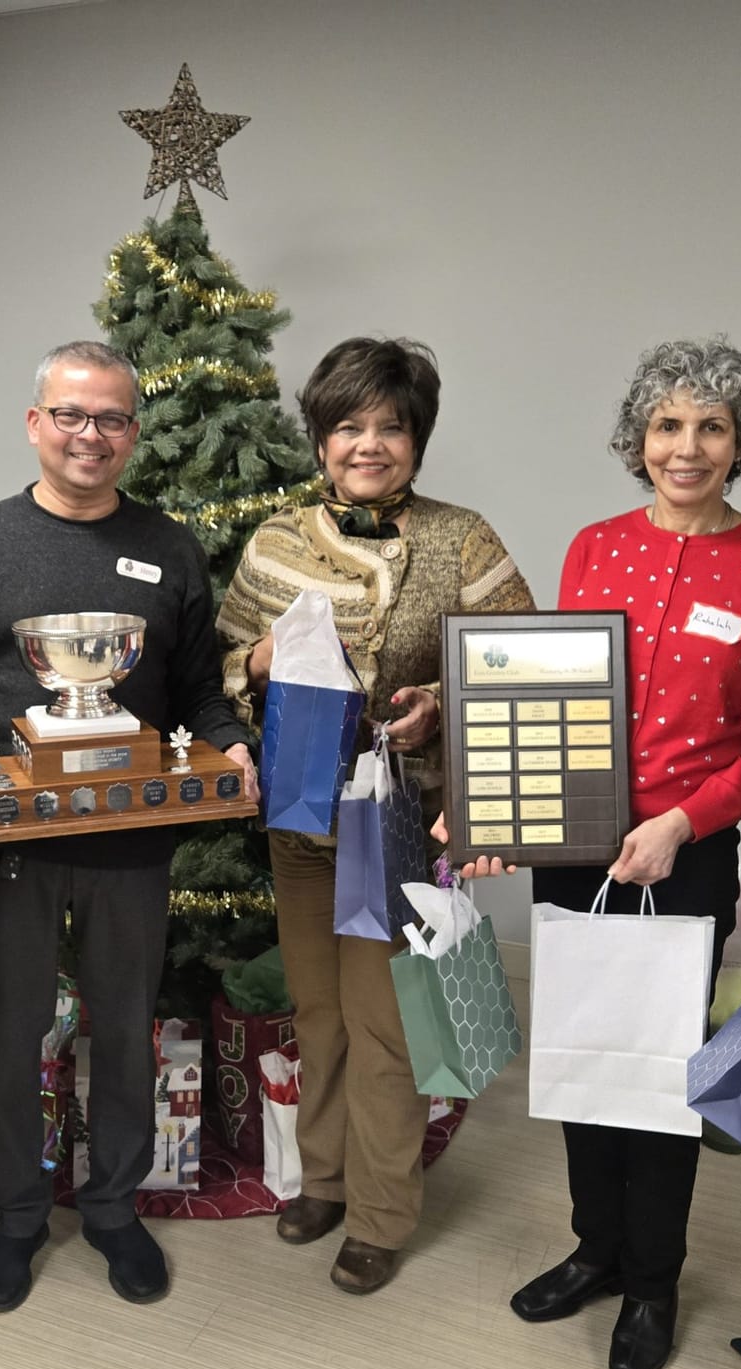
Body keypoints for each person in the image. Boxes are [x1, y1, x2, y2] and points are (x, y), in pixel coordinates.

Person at [0, 340, 256, 1313]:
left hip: (127, 836)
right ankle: (15, 1212)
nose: (89, 435)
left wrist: (230, 745)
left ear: (133, 432)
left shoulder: (170, 548)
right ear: (34, 423)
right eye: (70, 415)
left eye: (110, 419)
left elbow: (195, 689)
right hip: (7, 842)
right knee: (10, 1031)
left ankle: (109, 1207)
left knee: (124, 1028)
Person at [509, 338, 741, 1369]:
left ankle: (652, 1279)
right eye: (666, 426)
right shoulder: (593, 546)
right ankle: (593, 1247)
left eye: (710, 427)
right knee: (582, 1059)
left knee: (657, 1076)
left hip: (683, 854)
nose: (685, 448)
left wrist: (683, 822)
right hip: (575, 843)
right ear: (638, 439)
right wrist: (502, 805)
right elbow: (554, 699)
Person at [216, 336, 534, 1294]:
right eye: (348, 426)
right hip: (300, 821)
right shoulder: (274, 539)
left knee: (382, 1019)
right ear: (321, 441)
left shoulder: (461, 538)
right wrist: (259, 664)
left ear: (417, 439)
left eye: (389, 427)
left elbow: (514, 666)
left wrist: (440, 701)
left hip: (391, 822)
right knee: (317, 1012)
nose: (368, 444)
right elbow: (227, 669)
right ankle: (321, 1179)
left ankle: (383, 1212)